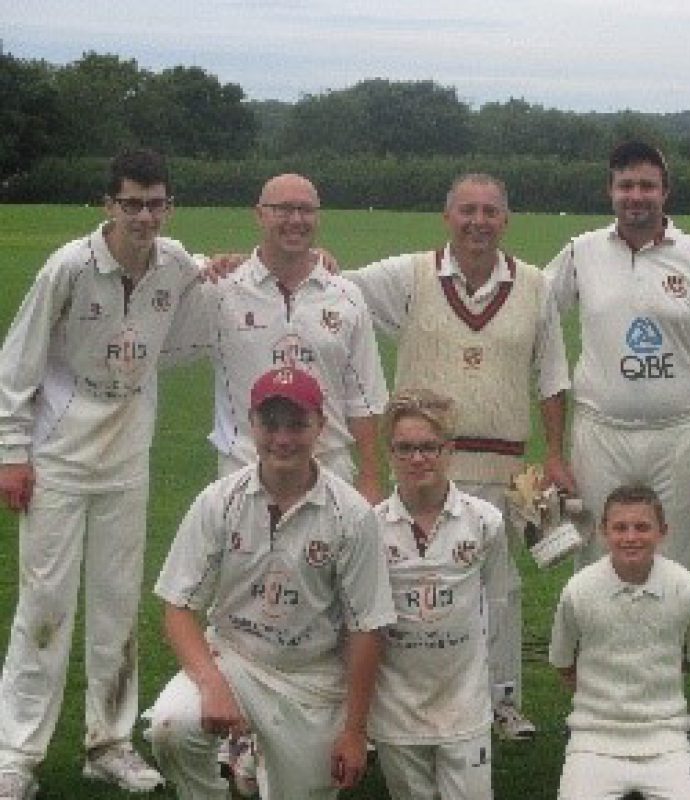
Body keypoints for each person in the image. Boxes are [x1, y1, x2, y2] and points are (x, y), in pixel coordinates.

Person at [0, 148, 209, 798]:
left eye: (155, 204)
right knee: (45, 608)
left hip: (126, 455)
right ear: (108, 206)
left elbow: (212, 275)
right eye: (130, 204)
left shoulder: (175, 264)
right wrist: (11, 452)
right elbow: (17, 361)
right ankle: (15, 755)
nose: (143, 216)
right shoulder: (70, 265)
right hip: (58, 453)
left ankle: (109, 744)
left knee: (118, 605)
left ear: (169, 207)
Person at [346, 173, 572, 741]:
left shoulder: (536, 285)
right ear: (447, 217)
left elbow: (551, 378)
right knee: (402, 586)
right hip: (421, 464)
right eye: (467, 210)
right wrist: (316, 256)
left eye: (490, 212)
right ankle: (386, 706)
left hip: (503, 468)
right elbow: (335, 288)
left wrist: (557, 455)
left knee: (499, 590)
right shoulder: (408, 275)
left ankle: (502, 703)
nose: (478, 221)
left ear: (506, 219)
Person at [144, 366, 395, 800]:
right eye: (270, 423)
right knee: (171, 727)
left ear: (321, 424)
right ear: (251, 423)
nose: (282, 439)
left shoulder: (352, 516)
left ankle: (258, 756)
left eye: (296, 424)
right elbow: (178, 606)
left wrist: (355, 732)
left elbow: (368, 629)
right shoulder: (219, 501)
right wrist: (212, 683)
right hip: (234, 657)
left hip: (310, 676)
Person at [545, 141, 690, 573]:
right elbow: (531, 308)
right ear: (610, 191)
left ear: (666, 192)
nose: (636, 195)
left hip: (678, 433)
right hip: (600, 433)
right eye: (625, 185)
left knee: (674, 560)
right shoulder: (581, 251)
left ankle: (669, 643)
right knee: (595, 556)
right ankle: (596, 643)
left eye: (647, 185)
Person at [203, 173, 389, 503]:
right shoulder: (221, 291)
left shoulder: (346, 296)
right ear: (259, 214)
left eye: (306, 210)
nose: (296, 220)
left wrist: (371, 477)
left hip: (329, 471)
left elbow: (363, 399)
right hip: (244, 470)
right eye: (283, 209)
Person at [370, 388, 505, 799]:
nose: (417, 459)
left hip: (465, 706)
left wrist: (487, 687)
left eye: (428, 447)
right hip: (398, 710)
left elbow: (496, 604)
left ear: (450, 450)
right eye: (405, 448)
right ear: (390, 453)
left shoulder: (484, 521)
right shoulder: (370, 527)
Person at [549, 485, 690, 800]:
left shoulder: (686, 587)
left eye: (642, 527)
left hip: (666, 739)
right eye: (620, 528)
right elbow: (564, 664)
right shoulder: (579, 590)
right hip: (593, 739)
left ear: (663, 532)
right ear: (602, 532)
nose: (631, 537)